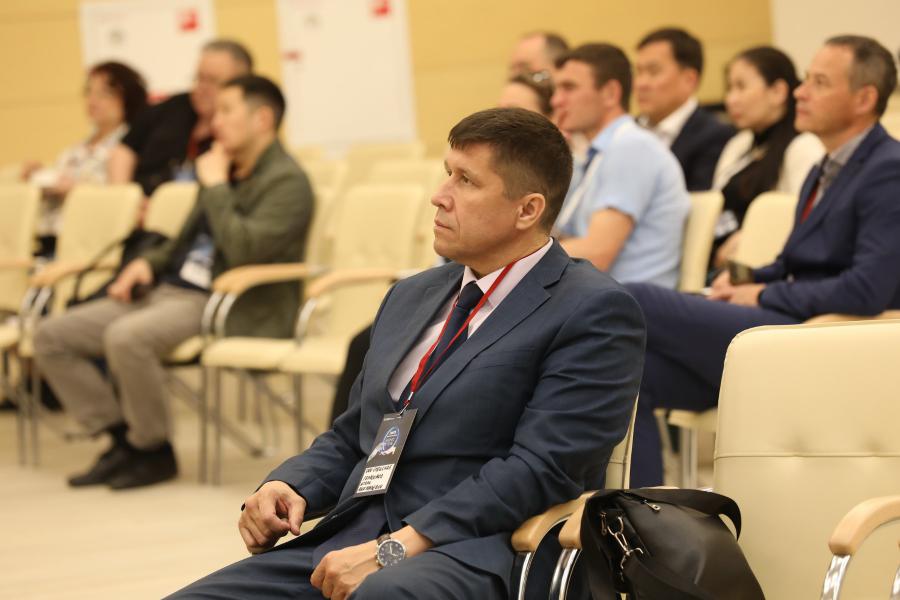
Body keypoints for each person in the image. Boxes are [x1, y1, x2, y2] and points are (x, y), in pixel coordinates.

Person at [167, 107, 645, 600]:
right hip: (351, 537)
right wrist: (290, 485)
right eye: (447, 173)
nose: (439, 195)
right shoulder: (411, 295)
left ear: (527, 210)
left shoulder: (592, 310)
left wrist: (394, 549)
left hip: (481, 550)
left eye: (466, 181)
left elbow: (540, 470)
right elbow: (356, 433)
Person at [626, 35, 900, 487]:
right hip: (786, 324)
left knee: (633, 298)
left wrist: (764, 292)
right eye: (805, 80)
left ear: (864, 98)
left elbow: (866, 290)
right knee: (628, 373)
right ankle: (640, 518)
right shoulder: (825, 167)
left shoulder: (888, 170)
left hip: (822, 338)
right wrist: (743, 279)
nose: (800, 92)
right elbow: (794, 261)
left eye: (819, 82)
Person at [33, 75, 314, 490]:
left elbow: (244, 250)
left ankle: (153, 449)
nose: (215, 121)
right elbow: (183, 240)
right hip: (169, 288)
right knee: (52, 336)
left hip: (222, 299)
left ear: (263, 119)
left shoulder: (287, 183)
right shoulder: (224, 169)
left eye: (226, 111)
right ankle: (122, 440)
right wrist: (147, 263)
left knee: (127, 338)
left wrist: (215, 185)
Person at [552, 43, 690, 288]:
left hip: (631, 300)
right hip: (600, 292)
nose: (556, 101)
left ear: (610, 94)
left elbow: (597, 253)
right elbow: (561, 232)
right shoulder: (596, 154)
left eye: (569, 88)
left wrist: (516, 258)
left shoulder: (631, 147)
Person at [710, 46, 824, 267]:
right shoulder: (738, 144)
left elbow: (804, 224)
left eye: (741, 87)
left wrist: (751, 239)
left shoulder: (804, 147)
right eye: (729, 88)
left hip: (762, 268)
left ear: (778, 92)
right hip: (718, 261)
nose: (730, 99)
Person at [22, 62, 147, 257]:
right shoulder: (75, 150)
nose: (92, 101)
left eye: (104, 94)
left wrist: (76, 191)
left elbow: (123, 203)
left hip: (90, 246)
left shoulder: (129, 148)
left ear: (127, 98)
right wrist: (37, 175)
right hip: (47, 240)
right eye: (89, 92)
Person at [106, 39, 252, 196]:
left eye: (212, 80)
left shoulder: (244, 128)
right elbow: (125, 149)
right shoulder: (174, 106)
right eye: (199, 78)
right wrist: (125, 197)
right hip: (143, 199)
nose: (202, 87)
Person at [635, 28, 734, 191]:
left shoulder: (715, 136)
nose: (641, 83)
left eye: (653, 72)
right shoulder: (628, 130)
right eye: (638, 72)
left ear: (689, 80)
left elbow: (699, 201)